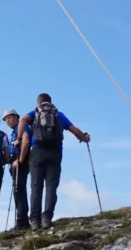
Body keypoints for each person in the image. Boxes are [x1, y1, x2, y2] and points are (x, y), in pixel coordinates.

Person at [17, 93, 90, 231]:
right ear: (50, 102)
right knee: (51, 186)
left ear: (38, 103)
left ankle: (34, 220)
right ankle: (46, 218)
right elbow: (74, 130)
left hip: (37, 152)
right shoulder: (59, 115)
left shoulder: (34, 113)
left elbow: (22, 120)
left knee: (36, 187)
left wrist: (19, 139)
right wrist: (84, 138)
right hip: (55, 153)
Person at [3, 108, 29, 231]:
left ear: (16, 117)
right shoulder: (14, 131)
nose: (7, 121)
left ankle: (21, 221)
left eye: (10, 118)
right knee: (18, 190)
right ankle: (22, 220)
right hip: (14, 163)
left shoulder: (21, 128)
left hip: (19, 163)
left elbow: (26, 141)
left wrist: (20, 160)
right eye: (6, 119)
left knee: (19, 190)